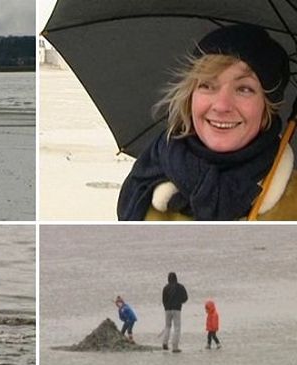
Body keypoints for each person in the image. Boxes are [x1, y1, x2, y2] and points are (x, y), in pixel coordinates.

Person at [117, 24, 297, 221]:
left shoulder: (291, 204)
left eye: (244, 89)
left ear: (267, 108)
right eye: (207, 85)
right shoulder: (146, 182)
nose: (221, 105)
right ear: (190, 97)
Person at [162, 272, 188, 353]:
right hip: (177, 309)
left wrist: (166, 307)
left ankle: (165, 343)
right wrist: (180, 302)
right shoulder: (180, 287)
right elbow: (185, 298)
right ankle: (175, 347)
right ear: (176, 278)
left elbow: (163, 300)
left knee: (167, 326)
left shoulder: (165, 288)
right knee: (177, 328)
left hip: (167, 309)